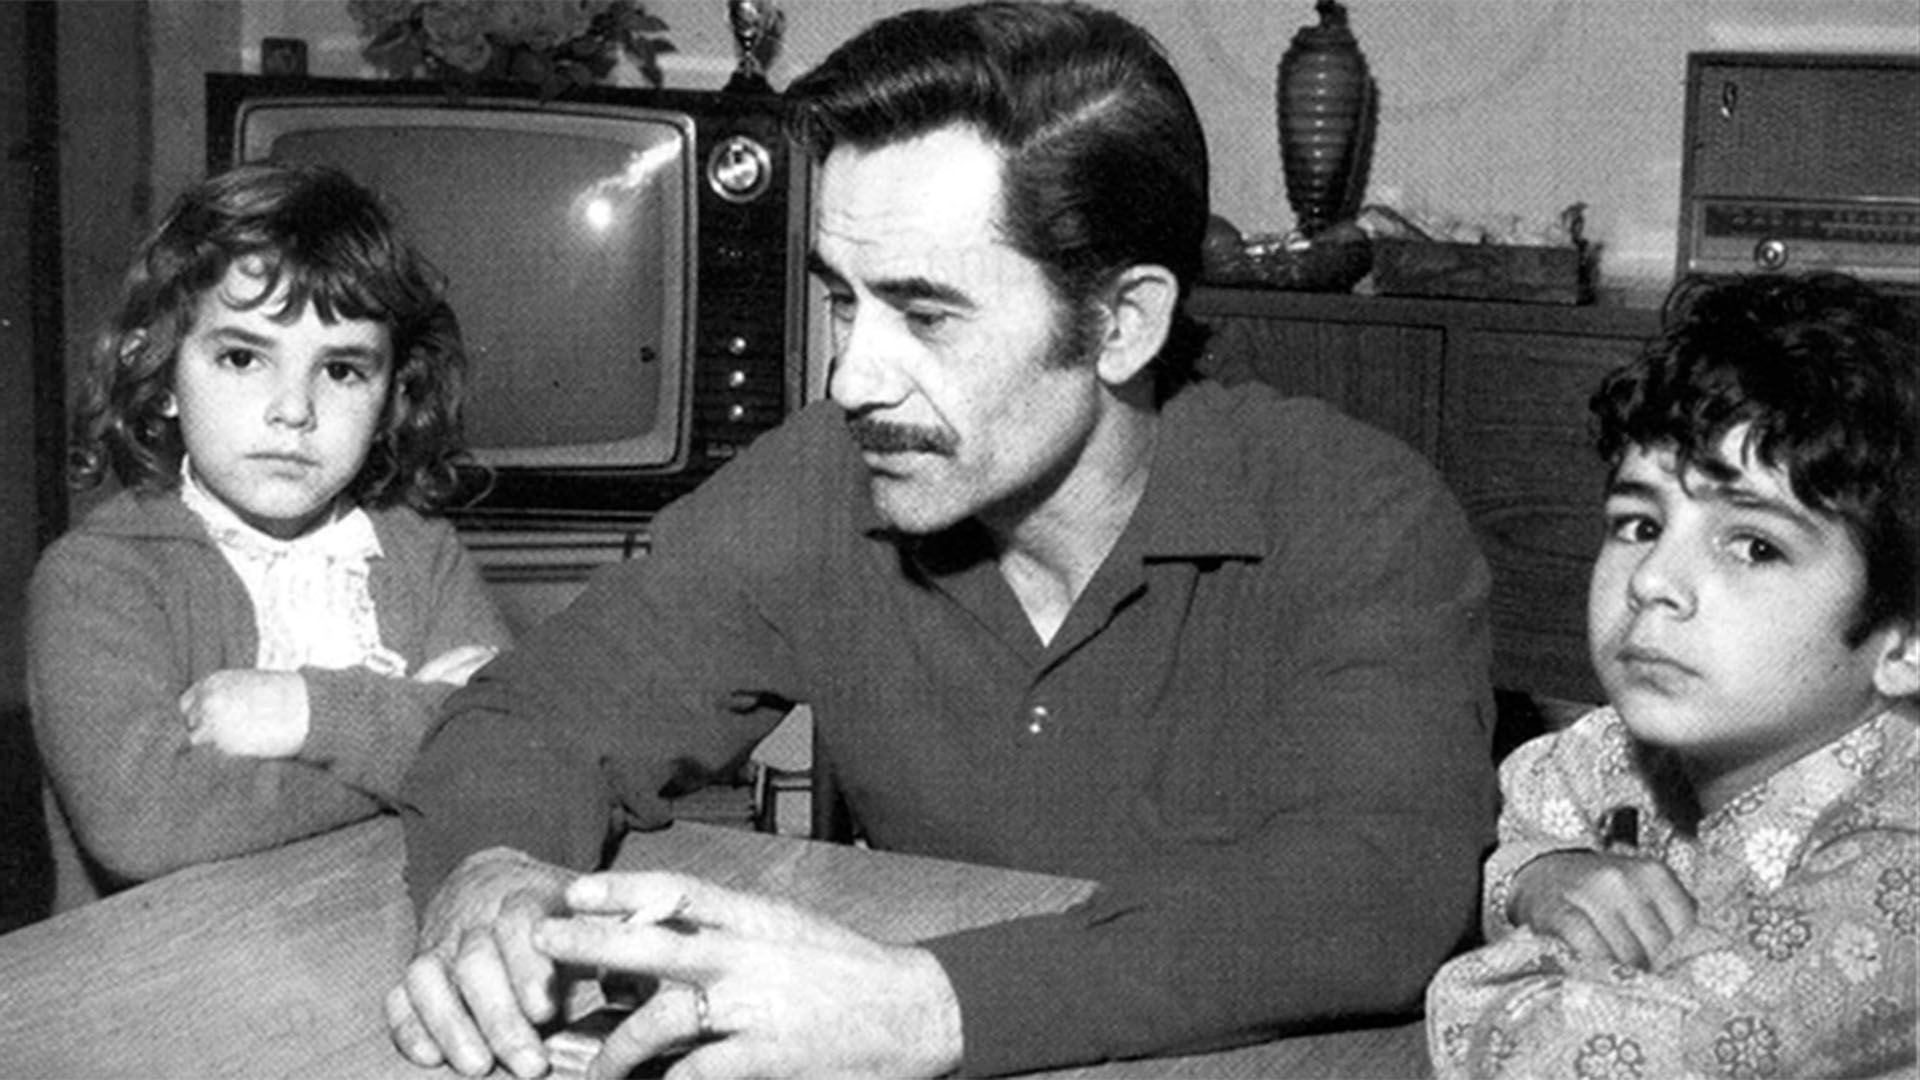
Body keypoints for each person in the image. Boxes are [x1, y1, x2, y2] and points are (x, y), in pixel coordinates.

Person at [386, 4, 1496, 1077]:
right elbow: (533, 713)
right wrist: (491, 874)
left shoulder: (1361, 517)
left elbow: (1382, 889)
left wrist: (931, 1006)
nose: (852, 379)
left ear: (1123, 324)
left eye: (926, 315)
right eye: (844, 300)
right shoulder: (822, 482)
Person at [1426, 271, 1919, 1079]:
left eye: (1754, 546)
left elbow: (1592, 1056)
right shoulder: (1605, 757)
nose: (1653, 579)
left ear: (1906, 642)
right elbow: (1517, 833)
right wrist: (1540, 878)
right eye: (1640, 523)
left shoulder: (1901, 852)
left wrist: (1487, 988)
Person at [28, 162, 511, 908]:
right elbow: (148, 824)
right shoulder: (96, 577)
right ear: (159, 370)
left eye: (342, 370)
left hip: (386, 939)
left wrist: (305, 713)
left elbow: (516, 753)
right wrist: (421, 740)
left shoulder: (423, 554)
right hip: (176, 964)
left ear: (393, 397)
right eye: (242, 357)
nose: (293, 410)